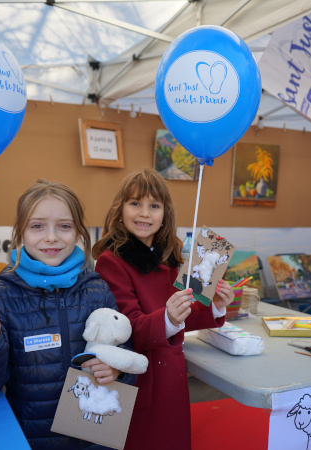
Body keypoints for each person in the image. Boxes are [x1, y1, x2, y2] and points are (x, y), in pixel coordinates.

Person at [0, 179, 130, 450]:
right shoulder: (1, 296)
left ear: (78, 232)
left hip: (96, 438)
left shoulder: (96, 289)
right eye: (37, 226)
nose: (52, 237)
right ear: (20, 232)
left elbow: (126, 358)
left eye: (64, 226)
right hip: (32, 440)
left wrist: (118, 370)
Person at [92, 168, 234, 450]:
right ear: (120, 210)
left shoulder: (169, 257)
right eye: (135, 203)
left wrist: (215, 307)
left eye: (154, 206)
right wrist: (168, 317)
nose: (144, 213)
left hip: (171, 381)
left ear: (164, 215)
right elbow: (127, 329)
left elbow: (183, 316)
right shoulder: (112, 262)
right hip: (142, 382)